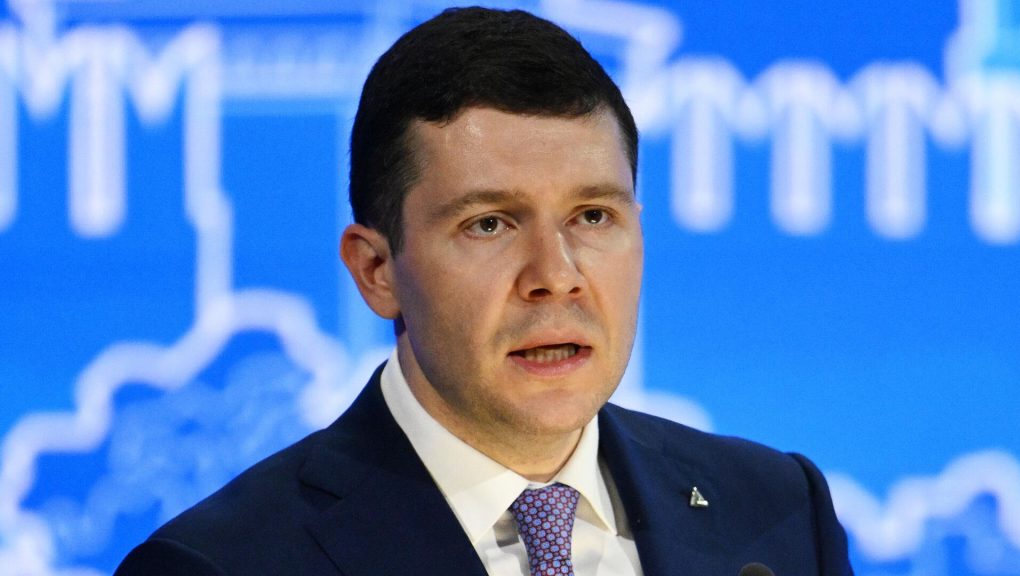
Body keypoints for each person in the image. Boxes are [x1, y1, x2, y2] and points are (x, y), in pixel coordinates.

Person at [115, 7, 853, 576]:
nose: (555, 274)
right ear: (376, 271)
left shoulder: (778, 513)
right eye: (490, 224)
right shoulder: (224, 563)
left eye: (593, 216)